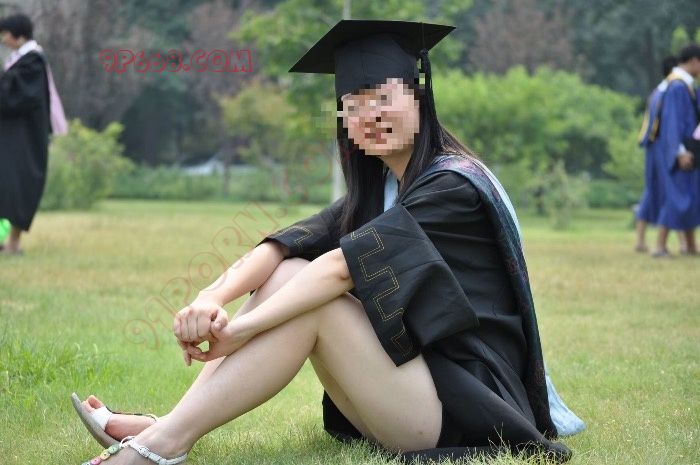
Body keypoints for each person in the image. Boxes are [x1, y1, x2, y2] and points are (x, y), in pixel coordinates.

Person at [72, 20, 574, 464]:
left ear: (418, 96)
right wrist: (210, 297)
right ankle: (168, 429)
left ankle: (161, 444)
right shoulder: (383, 189)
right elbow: (284, 245)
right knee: (290, 269)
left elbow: (338, 270)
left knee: (319, 301)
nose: (369, 116)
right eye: (353, 107)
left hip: (462, 412)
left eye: (383, 98)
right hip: (410, 395)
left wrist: (240, 329)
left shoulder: (452, 187)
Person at [0, 13, 67, 255]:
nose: (3, 39)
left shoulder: (33, 62)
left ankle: (14, 243)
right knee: (5, 188)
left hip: (25, 140)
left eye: (4, 34)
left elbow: (19, 97)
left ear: (18, 35)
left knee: (19, 188)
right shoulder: (20, 61)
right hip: (11, 138)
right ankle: (5, 241)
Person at [637, 44, 700, 257]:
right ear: (694, 61)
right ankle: (660, 246)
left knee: (688, 195)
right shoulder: (676, 87)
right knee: (677, 196)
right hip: (680, 151)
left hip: (686, 148)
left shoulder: (681, 86)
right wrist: (679, 152)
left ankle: (690, 245)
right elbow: (672, 123)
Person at [635, 55, 685, 253]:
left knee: (653, 190)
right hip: (664, 147)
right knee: (671, 190)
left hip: (652, 146)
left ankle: (640, 240)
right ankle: (677, 243)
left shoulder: (657, 91)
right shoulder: (673, 90)